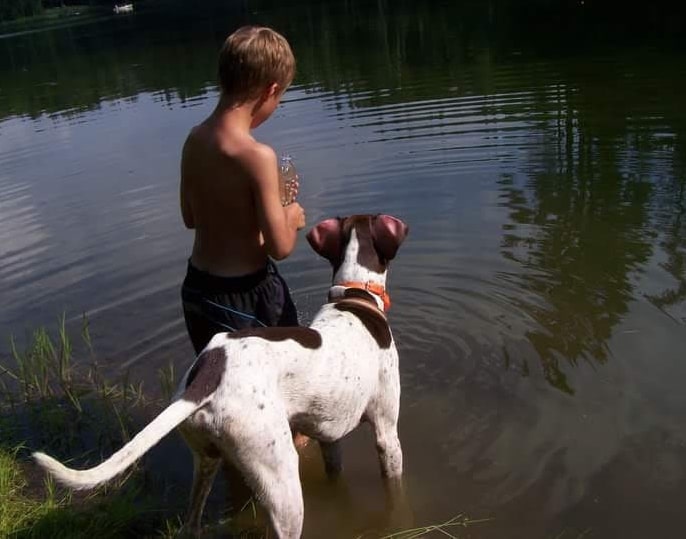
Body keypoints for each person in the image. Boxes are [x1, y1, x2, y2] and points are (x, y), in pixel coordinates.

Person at [179, 25, 306, 356]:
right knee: (282, 385)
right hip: (247, 296)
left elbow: (191, 217)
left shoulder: (194, 139)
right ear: (270, 90)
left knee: (216, 390)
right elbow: (279, 246)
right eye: (279, 98)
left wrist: (263, 201)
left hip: (199, 292)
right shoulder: (257, 156)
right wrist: (289, 214)